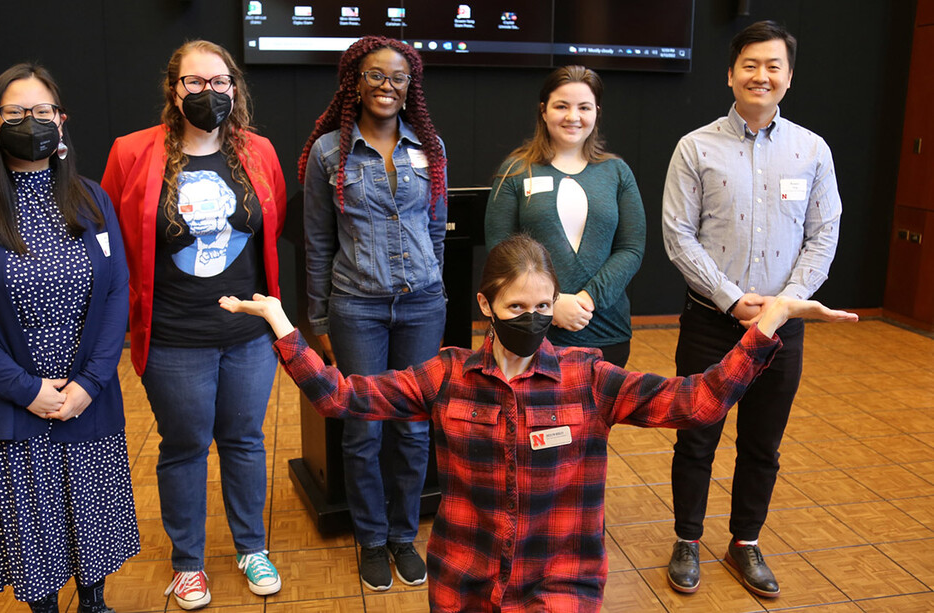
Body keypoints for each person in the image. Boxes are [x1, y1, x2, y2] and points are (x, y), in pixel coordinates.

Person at [220, 234, 857, 612]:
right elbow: (341, 398)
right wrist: (284, 325)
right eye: (516, 305)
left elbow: (699, 402)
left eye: (543, 306)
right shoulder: (446, 376)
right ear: (486, 306)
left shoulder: (590, 378)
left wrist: (768, 324)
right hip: (465, 582)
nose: (530, 316)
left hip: (562, 584)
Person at [0, 63, 137, 613]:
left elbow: (117, 291)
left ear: (61, 121)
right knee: (31, 526)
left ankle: (94, 604)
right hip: (10, 397)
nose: (31, 121)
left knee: (90, 515)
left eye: (42, 111)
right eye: (16, 112)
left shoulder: (92, 200)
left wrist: (90, 383)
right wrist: (25, 389)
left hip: (84, 392)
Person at [100, 40, 287, 609]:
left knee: (245, 441)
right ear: (174, 89)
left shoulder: (258, 151)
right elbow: (108, 241)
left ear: (235, 86)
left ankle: (251, 547)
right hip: (175, 337)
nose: (210, 92)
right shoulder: (132, 152)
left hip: (249, 336)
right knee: (184, 447)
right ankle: (188, 563)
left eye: (220, 81)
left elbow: (270, 233)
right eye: (195, 82)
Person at [661, 20, 843, 598]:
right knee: (696, 434)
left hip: (781, 330)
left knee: (762, 444)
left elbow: (824, 234)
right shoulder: (696, 146)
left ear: (788, 78)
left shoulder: (812, 149)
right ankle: (686, 539)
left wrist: (786, 304)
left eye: (773, 67)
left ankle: (745, 541)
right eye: (750, 65)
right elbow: (677, 234)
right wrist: (733, 299)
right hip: (712, 322)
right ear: (731, 73)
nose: (760, 75)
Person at [297, 35, 448, 590]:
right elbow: (316, 240)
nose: (388, 86)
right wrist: (318, 322)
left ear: (411, 88)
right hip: (356, 306)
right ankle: (370, 538)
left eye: (399, 78)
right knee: (363, 430)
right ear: (355, 84)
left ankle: (404, 536)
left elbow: (436, 230)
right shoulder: (328, 153)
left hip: (422, 306)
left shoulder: (429, 147)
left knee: (411, 429)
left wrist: (436, 295)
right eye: (376, 76)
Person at [486, 65, 645, 367]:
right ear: (544, 111)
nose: (573, 117)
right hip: (530, 330)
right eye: (562, 106)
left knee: (597, 414)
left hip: (605, 330)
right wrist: (551, 305)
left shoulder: (617, 172)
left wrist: (587, 299)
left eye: (584, 107)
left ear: (596, 112)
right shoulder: (515, 171)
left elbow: (631, 248)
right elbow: (500, 251)